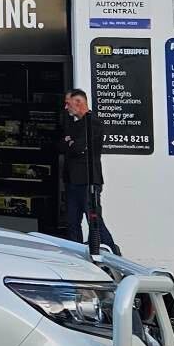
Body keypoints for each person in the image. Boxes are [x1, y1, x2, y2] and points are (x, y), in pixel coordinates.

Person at [56, 89, 120, 256]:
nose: (66, 107)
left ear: (79, 102)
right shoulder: (73, 124)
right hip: (72, 181)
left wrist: (71, 143)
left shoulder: (93, 123)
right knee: (72, 222)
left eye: (68, 103)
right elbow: (61, 146)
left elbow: (78, 148)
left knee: (94, 220)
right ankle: (74, 256)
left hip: (88, 180)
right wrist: (69, 143)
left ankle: (113, 254)